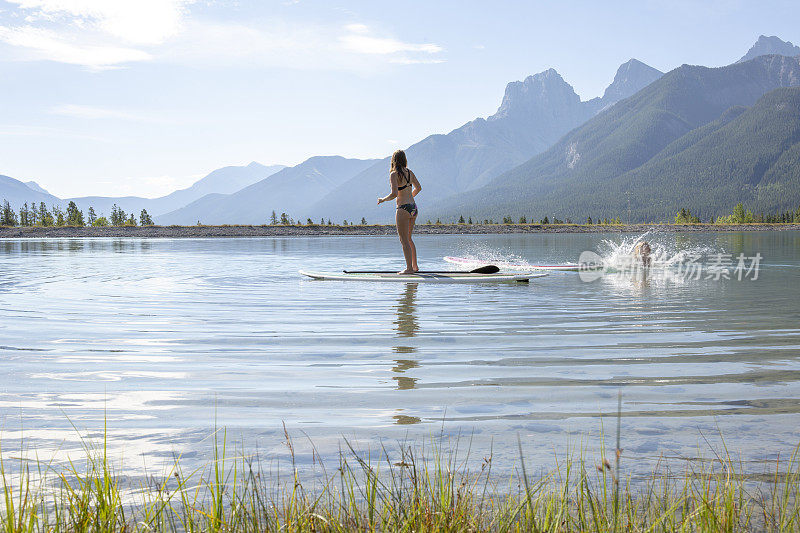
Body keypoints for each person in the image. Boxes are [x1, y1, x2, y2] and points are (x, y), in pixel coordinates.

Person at [377, 150, 422, 274]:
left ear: (394, 160)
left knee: (404, 240)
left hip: (403, 209)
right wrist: (410, 197)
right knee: (409, 238)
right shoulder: (410, 172)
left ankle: (409, 269)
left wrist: (383, 199)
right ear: (404, 160)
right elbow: (419, 188)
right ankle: (415, 266)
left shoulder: (394, 174)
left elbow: (394, 194)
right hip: (413, 208)